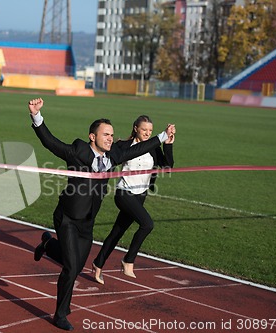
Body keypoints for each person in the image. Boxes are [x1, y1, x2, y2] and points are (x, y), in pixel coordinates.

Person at [28, 98, 175, 331]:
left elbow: (138, 148)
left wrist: (163, 137)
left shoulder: (114, 154)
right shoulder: (78, 150)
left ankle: (47, 245)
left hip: (87, 222)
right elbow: (50, 143)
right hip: (67, 217)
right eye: (105, 134)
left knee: (75, 267)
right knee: (70, 268)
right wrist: (37, 117)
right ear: (92, 137)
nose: (109, 138)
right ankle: (60, 314)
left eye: (111, 134)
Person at [91, 115, 174, 284]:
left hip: (140, 196)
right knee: (147, 224)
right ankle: (128, 261)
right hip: (124, 194)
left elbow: (167, 168)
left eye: (150, 131)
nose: (147, 133)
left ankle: (97, 264)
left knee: (117, 232)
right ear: (136, 128)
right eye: (144, 130)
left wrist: (168, 145)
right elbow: (107, 160)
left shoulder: (153, 148)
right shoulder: (123, 146)